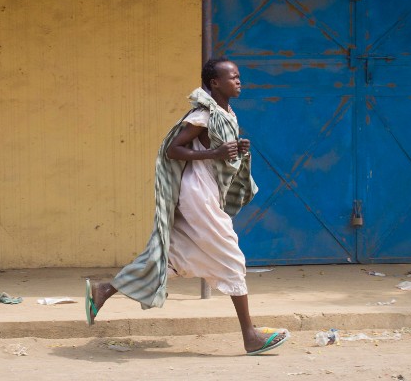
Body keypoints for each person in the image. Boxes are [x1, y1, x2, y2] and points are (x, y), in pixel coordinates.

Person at [85, 58, 289, 356]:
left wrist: (234, 152)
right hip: (198, 195)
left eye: (238, 76)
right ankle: (250, 336)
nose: (238, 81)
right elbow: (173, 149)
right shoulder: (202, 115)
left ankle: (104, 290)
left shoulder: (225, 113)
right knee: (232, 257)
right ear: (215, 83)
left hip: (206, 192)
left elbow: (217, 152)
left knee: (175, 258)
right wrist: (215, 152)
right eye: (232, 77)